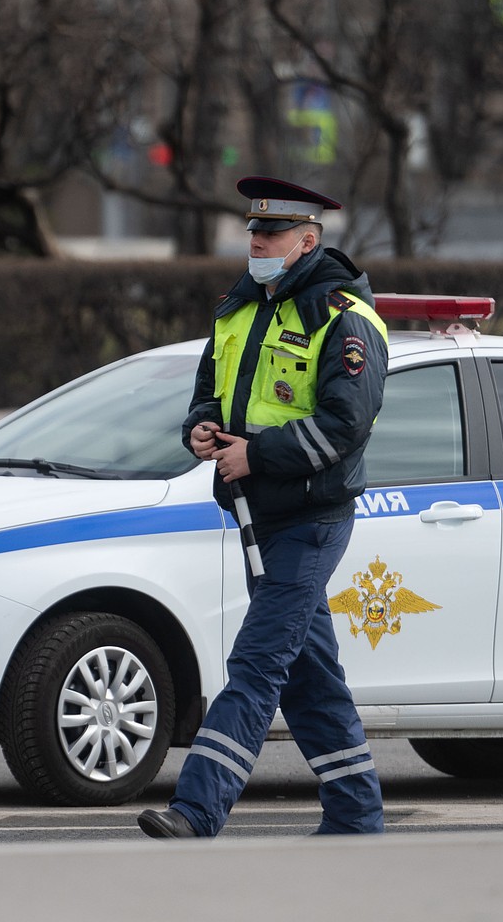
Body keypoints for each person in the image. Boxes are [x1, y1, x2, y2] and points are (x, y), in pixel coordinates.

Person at [137, 176, 387, 839]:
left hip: (310, 521)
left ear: (307, 241)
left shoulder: (343, 319)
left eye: (271, 233)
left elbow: (344, 427)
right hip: (254, 516)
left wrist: (257, 454)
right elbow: (210, 396)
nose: (256, 242)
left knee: (256, 663)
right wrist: (200, 431)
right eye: (252, 230)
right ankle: (357, 813)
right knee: (309, 676)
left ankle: (196, 810)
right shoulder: (236, 309)